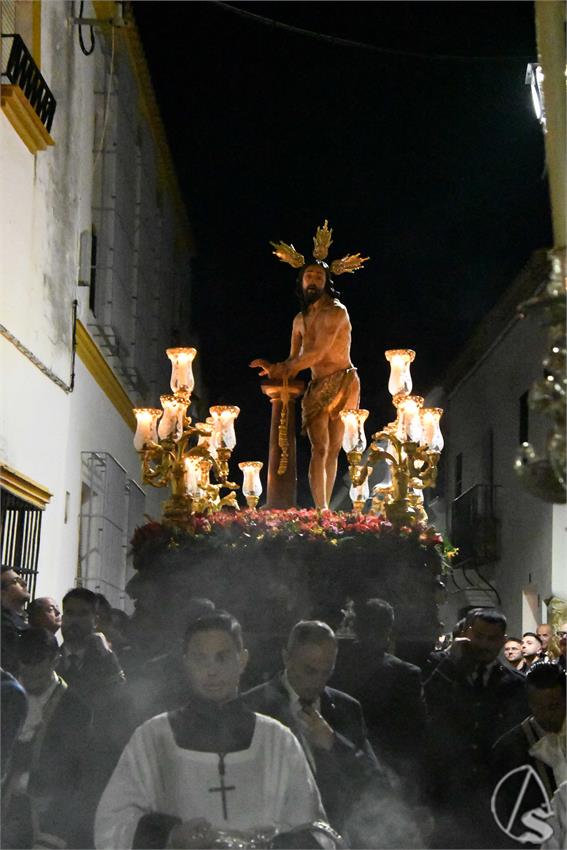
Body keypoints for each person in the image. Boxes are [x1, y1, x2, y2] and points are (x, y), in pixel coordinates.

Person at [95, 612, 326, 849]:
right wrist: (172, 836)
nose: (211, 670)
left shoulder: (278, 741)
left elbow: (315, 830)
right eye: (200, 659)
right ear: (185, 662)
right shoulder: (153, 738)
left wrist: (272, 846)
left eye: (222, 658)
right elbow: (111, 825)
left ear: (242, 660)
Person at [250, 222, 368, 509]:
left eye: (318, 276)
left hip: (343, 380)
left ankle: (326, 507)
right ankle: (321, 509)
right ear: (301, 283)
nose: (313, 280)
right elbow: (295, 358)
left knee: (334, 450)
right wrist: (278, 369)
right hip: (316, 386)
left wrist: (282, 368)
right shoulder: (299, 320)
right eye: (308, 276)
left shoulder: (336, 312)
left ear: (327, 282)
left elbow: (316, 352)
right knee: (319, 446)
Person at [242, 619, 386, 839]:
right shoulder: (253, 707)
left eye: (326, 671)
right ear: (286, 658)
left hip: (334, 837)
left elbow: (373, 781)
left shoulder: (346, 708)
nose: (318, 681)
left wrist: (334, 743)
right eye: (309, 670)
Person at [424, 607, 529, 848]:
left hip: (497, 799)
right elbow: (424, 710)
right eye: (479, 636)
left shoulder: (516, 686)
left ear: (503, 641)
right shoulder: (443, 672)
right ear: (466, 634)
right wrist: (452, 664)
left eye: (492, 639)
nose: (484, 645)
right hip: (449, 797)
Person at [1, 628, 93, 848]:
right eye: (25, 675)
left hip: (47, 819)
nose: (30, 682)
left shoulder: (75, 709)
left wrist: (25, 781)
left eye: (38, 675)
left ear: (56, 660)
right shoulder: (7, 698)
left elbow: (74, 775)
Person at [331, 599, 427, 793]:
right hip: (387, 773)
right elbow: (414, 734)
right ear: (389, 629)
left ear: (356, 627)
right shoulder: (406, 674)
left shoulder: (334, 667)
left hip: (339, 768)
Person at [491, 663, 566, 846]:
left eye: (554, 706)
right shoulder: (510, 749)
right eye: (538, 706)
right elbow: (505, 814)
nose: (546, 715)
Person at [1, 566, 30, 675]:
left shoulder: (25, 620)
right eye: (16, 581)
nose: (24, 583)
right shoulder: (4, 626)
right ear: (1, 592)